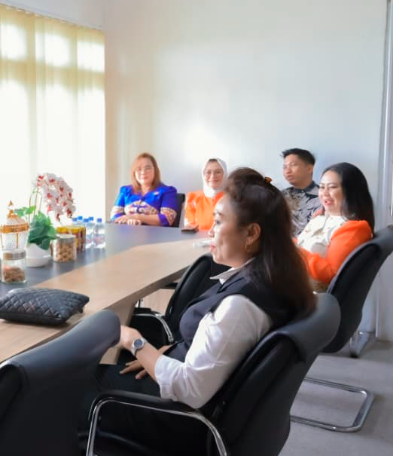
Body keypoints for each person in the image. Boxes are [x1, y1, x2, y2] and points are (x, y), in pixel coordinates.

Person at [85, 168, 315, 454]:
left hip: (178, 418)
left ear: (251, 233)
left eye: (218, 222)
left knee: (70, 387)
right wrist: (160, 355)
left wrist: (135, 341)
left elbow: (190, 389)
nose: (211, 231)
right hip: (194, 393)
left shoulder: (239, 306)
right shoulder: (273, 279)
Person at [296, 162, 375, 291]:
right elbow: (301, 244)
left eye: (332, 187)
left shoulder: (353, 228)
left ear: (351, 191)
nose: (324, 193)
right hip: (289, 280)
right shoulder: (320, 217)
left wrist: (294, 251)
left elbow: (331, 274)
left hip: (304, 294)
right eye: (322, 187)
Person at [111, 153, 180, 227]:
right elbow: (114, 215)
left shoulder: (167, 191)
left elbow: (167, 219)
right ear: (134, 173)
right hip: (126, 232)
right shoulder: (125, 191)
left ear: (155, 170)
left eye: (147, 168)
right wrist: (129, 221)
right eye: (138, 169)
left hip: (155, 234)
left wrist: (137, 217)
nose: (143, 172)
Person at [281, 148, 321, 235]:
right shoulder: (280, 196)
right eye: (285, 167)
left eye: (293, 165)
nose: (287, 171)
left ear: (309, 169)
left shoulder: (324, 196)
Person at [182, 158, 228, 231]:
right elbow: (190, 229)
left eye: (218, 172)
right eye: (208, 172)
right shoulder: (193, 199)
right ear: (203, 174)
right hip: (197, 238)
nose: (213, 176)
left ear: (225, 174)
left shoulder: (232, 199)